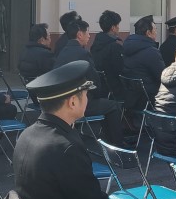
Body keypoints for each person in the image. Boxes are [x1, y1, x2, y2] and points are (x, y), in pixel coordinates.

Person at [14, 61, 151, 199]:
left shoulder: (27, 134)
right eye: (85, 94)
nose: (87, 98)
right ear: (72, 102)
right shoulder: (65, 146)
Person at [53, 18, 125, 147]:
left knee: (104, 103)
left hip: (61, 102)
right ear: (79, 34)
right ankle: (117, 145)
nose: (89, 35)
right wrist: (97, 96)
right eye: (87, 32)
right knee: (113, 105)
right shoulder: (83, 54)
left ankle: (108, 140)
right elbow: (95, 81)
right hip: (78, 104)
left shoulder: (62, 52)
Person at [122, 15, 165, 106]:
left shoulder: (127, 47)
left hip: (131, 97)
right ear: (148, 33)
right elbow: (162, 77)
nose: (156, 32)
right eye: (155, 29)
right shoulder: (151, 52)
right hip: (149, 98)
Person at [90, 10, 124, 97]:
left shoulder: (96, 44)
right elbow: (121, 71)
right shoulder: (115, 47)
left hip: (100, 88)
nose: (119, 28)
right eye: (118, 25)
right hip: (114, 90)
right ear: (113, 27)